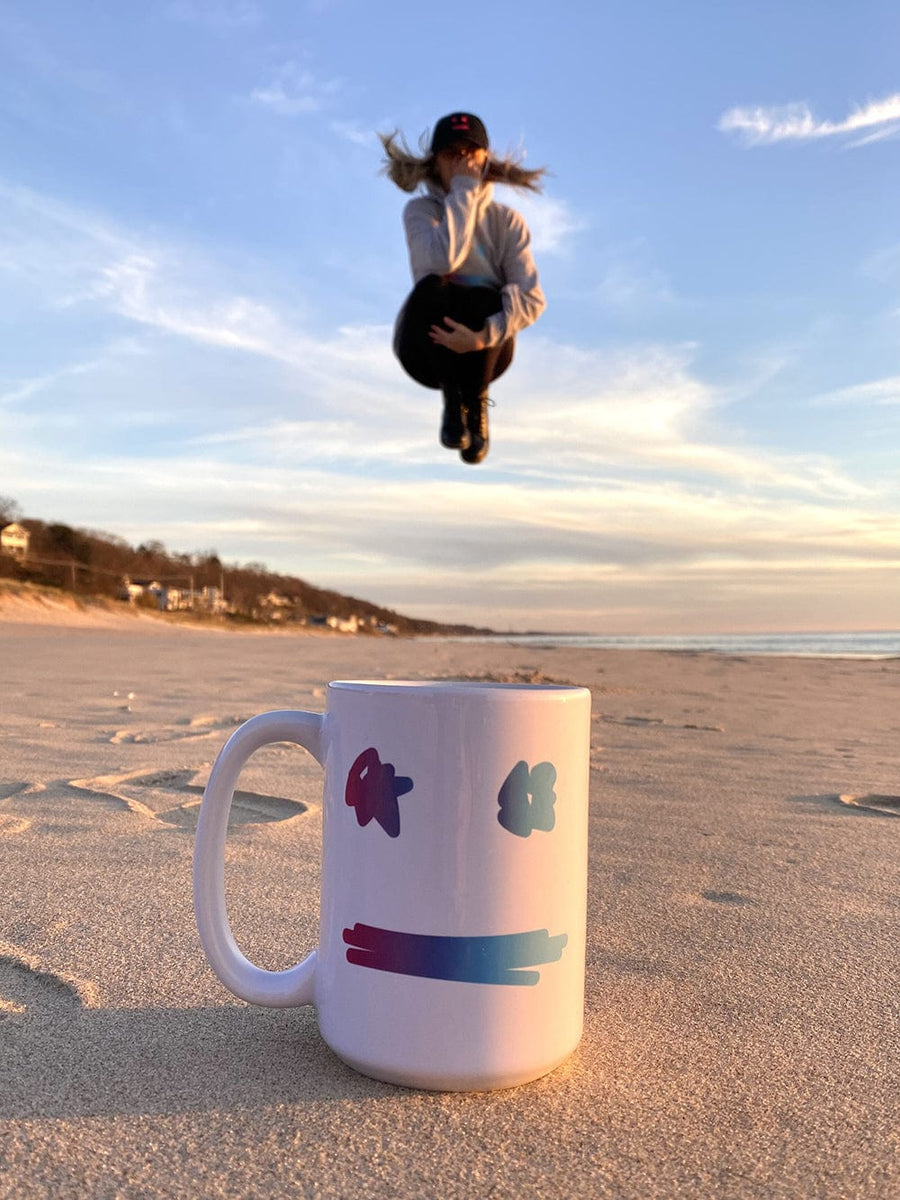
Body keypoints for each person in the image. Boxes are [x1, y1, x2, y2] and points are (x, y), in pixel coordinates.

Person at [380, 113, 546, 464]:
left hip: (485, 350)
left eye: (471, 151)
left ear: (485, 158)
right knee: (435, 285)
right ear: (435, 160)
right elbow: (442, 262)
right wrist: (463, 192)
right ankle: (452, 402)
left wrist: (482, 337)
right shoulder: (420, 212)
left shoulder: (507, 221)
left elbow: (532, 298)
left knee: (487, 295)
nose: (462, 160)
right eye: (451, 152)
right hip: (425, 345)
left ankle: (476, 404)